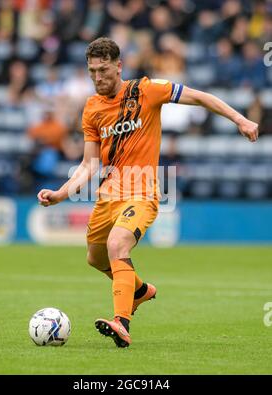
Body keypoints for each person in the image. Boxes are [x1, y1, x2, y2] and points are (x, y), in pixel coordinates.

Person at [37, 37, 259, 348]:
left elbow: (200, 97)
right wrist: (61, 193)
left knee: (118, 245)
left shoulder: (147, 90)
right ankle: (140, 292)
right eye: (91, 72)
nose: (97, 78)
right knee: (94, 258)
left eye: (103, 70)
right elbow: (89, 164)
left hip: (143, 192)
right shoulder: (92, 108)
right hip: (108, 196)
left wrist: (240, 119)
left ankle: (121, 322)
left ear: (119, 66)